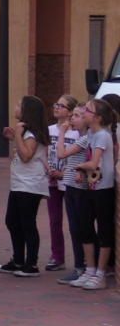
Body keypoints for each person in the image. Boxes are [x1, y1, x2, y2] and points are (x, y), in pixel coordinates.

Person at [63, 99, 116, 290]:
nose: (84, 112)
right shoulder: (91, 135)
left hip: (103, 188)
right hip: (90, 187)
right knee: (85, 227)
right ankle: (90, 269)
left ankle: (100, 273)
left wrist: (79, 166)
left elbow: (93, 163)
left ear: (98, 117)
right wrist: (81, 170)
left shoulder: (102, 135)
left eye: (88, 110)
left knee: (103, 230)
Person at [0, 95, 50, 277]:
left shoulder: (31, 134)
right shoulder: (26, 132)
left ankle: (31, 263)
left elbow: (26, 155)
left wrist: (18, 135)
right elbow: (21, 154)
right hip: (20, 183)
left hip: (30, 184)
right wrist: (15, 138)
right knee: (12, 220)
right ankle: (18, 259)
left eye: (19, 105)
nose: (16, 107)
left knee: (27, 222)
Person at [53, 102, 96, 284]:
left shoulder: (85, 139)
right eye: (74, 116)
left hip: (79, 189)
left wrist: (62, 133)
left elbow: (61, 153)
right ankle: (82, 265)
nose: (73, 119)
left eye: (77, 116)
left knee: (79, 228)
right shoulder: (83, 138)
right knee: (74, 227)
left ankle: (82, 266)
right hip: (70, 185)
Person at [45, 95, 79, 272]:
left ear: (71, 111)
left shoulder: (76, 132)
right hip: (52, 179)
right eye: (55, 104)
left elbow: (79, 156)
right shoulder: (49, 130)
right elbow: (44, 152)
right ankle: (57, 256)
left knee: (76, 220)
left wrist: (63, 173)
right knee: (54, 220)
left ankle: (81, 260)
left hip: (70, 179)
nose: (56, 108)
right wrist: (48, 170)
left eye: (61, 105)